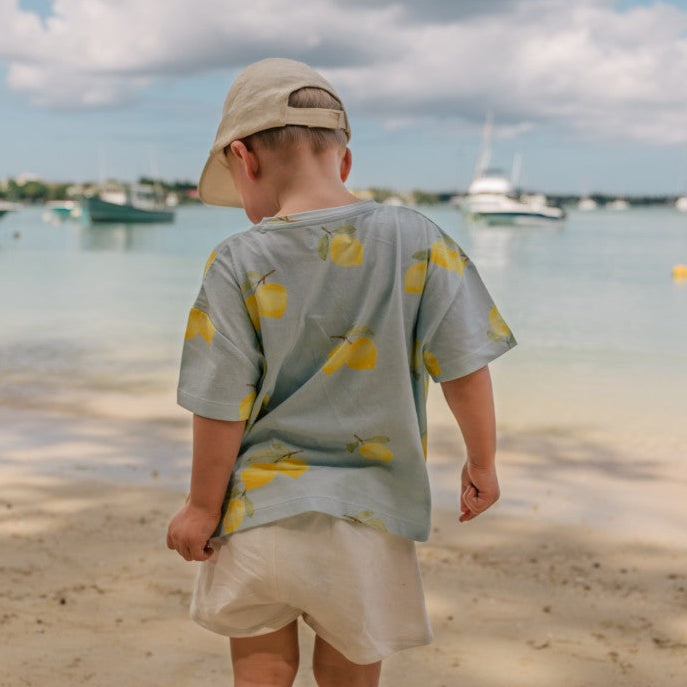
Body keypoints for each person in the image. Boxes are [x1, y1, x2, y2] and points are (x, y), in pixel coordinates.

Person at [167, 57, 516, 687]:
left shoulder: (237, 261)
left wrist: (199, 505)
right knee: (352, 674)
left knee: (263, 670)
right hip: (369, 518)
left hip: (259, 512)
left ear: (243, 159)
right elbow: (464, 364)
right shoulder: (417, 238)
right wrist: (482, 462)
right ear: (344, 160)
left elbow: (219, 399)